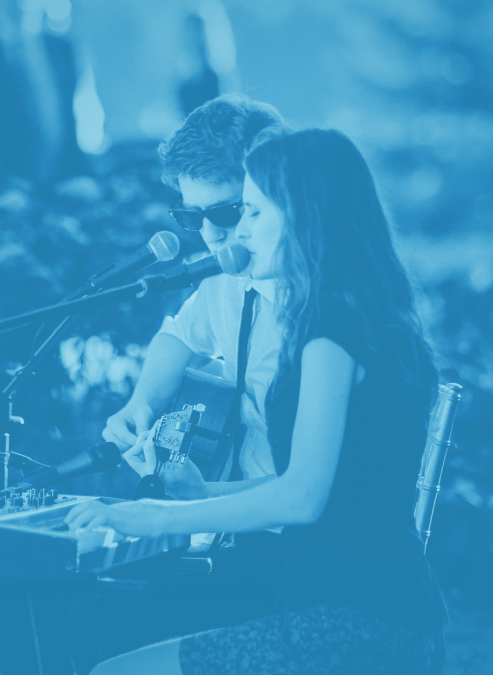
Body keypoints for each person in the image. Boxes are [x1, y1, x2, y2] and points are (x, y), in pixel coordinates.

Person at [66, 129, 447, 674]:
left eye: (254, 213)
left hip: (352, 623)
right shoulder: (362, 313)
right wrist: (206, 494)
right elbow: (330, 482)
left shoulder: (329, 329)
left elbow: (302, 498)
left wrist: (151, 518)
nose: (239, 232)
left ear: (303, 216)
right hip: (381, 609)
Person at [63, 95, 290, 672]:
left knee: (112, 628)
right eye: (191, 218)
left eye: (225, 213)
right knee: (93, 606)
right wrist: (143, 403)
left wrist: (177, 512)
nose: (209, 236)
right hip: (241, 530)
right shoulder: (230, 282)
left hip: (283, 556)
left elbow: (305, 497)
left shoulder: (318, 316)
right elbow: (176, 336)